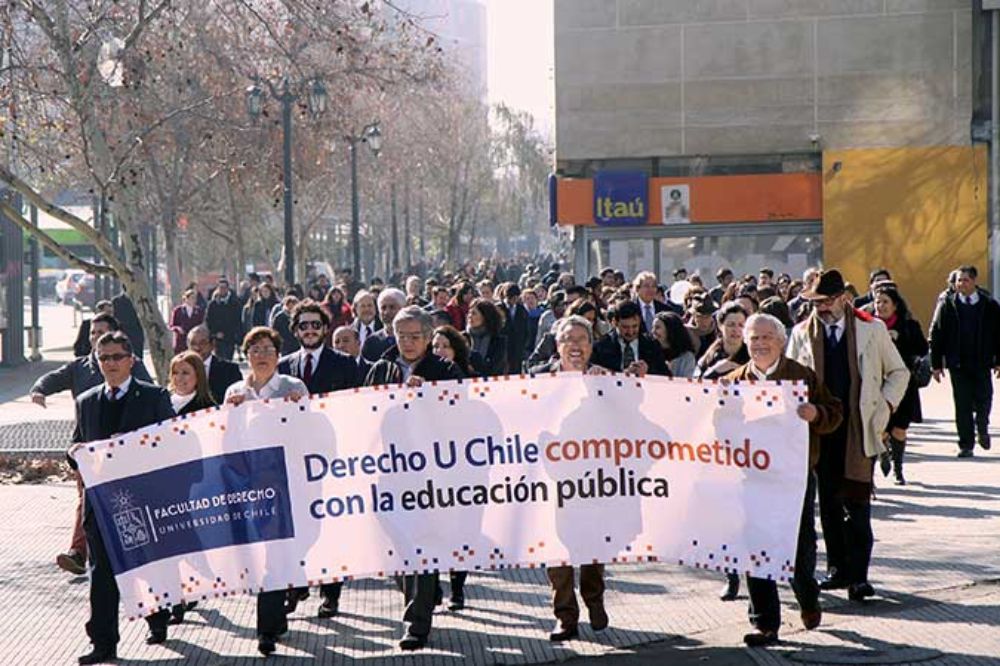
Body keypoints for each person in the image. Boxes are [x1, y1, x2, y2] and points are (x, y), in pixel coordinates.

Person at [787, 269, 909, 602]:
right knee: (828, 504)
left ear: (842, 298)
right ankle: (838, 569)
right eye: (815, 302)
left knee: (856, 505)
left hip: (859, 430)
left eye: (826, 301)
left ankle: (859, 578)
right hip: (820, 430)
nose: (821, 308)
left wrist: (884, 406)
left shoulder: (872, 329)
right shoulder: (801, 333)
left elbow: (899, 372)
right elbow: (791, 380)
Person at [728, 315, 843, 646]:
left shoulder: (801, 376)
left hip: (794, 477)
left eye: (767, 337)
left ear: (781, 341)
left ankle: (807, 595)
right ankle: (764, 623)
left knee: (799, 545)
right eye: (754, 338)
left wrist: (816, 414)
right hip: (751, 478)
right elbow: (718, 424)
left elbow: (834, 411)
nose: (760, 344)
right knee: (754, 546)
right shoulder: (734, 381)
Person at [68, 331, 174, 664]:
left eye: (117, 357)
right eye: (103, 358)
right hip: (100, 504)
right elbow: (75, 445)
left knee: (147, 566)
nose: (110, 363)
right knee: (101, 575)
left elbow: (171, 443)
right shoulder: (86, 401)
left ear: (131, 360)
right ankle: (103, 643)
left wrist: (132, 445)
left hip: (141, 500)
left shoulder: (154, 397)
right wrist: (75, 453)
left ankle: (158, 618)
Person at [363, 307, 463, 650]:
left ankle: (416, 624)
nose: (407, 342)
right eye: (401, 336)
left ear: (428, 337)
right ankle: (427, 591)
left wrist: (430, 398)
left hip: (428, 475)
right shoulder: (381, 368)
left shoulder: (444, 370)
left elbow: (460, 413)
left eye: (414, 336)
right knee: (396, 544)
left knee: (423, 543)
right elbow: (362, 412)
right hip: (388, 470)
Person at [32, 313, 153, 577]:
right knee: (88, 500)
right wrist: (39, 389)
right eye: (93, 333)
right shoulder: (80, 367)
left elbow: (149, 396)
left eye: (101, 332)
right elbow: (53, 378)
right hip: (90, 452)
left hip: (126, 454)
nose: (96, 337)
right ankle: (78, 553)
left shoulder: (131, 363)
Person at [224, 327, 307, 657]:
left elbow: (308, 431)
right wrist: (229, 412)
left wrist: (299, 408)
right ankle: (275, 616)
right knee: (262, 554)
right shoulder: (235, 391)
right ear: (246, 355)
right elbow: (224, 437)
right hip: (248, 484)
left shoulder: (292, 387)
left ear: (278, 355)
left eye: (267, 349)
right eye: (255, 350)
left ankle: (268, 626)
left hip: (282, 482)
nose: (261, 355)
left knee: (276, 553)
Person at [528, 316, 611, 641]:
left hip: (594, 480)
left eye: (581, 339)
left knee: (594, 544)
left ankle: (594, 598)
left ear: (590, 345)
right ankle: (565, 615)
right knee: (556, 549)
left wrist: (614, 387)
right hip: (552, 480)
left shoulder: (604, 379)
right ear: (557, 345)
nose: (575, 346)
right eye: (568, 339)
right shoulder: (537, 379)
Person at [164, 350, 215, 625]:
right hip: (165, 484)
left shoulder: (207, 406)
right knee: (172, 542)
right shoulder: (161, 401)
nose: (180, 378)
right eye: (176, 372)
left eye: (186, 373)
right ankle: (176, 599)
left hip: (195, 484)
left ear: (198, 377)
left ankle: (191, 589)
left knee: (186, 538)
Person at [928, 265, 1000, 457]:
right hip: (958, 363)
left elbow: (998, 334)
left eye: (965, 280)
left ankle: (982, 426)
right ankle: (966, 444)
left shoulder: (989, 305)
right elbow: (936, 334)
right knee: (963, 404)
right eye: (958, 280)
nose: (961, 284)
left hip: (982, 361)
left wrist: (998, 360)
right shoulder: (947, 305)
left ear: (974, 281)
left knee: (985, 398)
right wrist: (936, 364)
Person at [872, 286, 928, 484]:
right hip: (877, 384)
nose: (881, 306)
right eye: (877, 302)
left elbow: (922, 348)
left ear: (895, 305)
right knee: (880, 429)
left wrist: (900, 339)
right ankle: (882, 453)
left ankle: (898, 469)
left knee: (899, 429)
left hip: (904, 384)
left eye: (885, 302)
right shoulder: (868, 325)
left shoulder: (908, 325)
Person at [591, 300, 670, 375]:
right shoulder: (601, 347)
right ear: (615, 323)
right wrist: (623, 374)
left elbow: (665, 376)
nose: (630, 332)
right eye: (625, 327)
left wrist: (648, 370)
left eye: (635, 326)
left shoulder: (651, 345)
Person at [695, 302, 750, 381]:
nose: (736, 330)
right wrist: (715, 370)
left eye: (741, 325)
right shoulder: (708, 357)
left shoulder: (751, 356)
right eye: (731, 325)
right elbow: (695, 384)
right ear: (720, 325)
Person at [466, 297, 508, 376]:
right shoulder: (463, 337)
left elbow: (495, 368)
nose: (469, 316)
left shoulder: (498, 342)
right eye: (469, 313)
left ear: (485, 317)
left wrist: (475, 370)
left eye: (474, 313)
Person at [362, 288, 407, 362]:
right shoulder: (372, 342)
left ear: (404, 309)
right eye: (383, 308)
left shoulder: (414, 339)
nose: (387, 312)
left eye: (392, 307)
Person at [205, 278, 242, 360]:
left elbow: (238, 321)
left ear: (228, 289)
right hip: (217, 338)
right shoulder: (212, 304)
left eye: (224, 287)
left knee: (228, 360)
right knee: (219, 360)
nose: (222, 290)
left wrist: (236, 336)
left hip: (230, 338)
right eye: (220, 287)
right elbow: (208, 320)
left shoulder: (235, 303)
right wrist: (214, 333)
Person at [652, 311, 697, 378]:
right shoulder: (650, 352)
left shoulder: (687, 358)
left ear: (670, 329)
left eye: (657, 327)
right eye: (653, 327)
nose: (653, 331)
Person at [634, 271, 679, 335]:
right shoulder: (631, 308)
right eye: (646, 286)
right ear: (637, 288)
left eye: (653, 286)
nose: (650, 289)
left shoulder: (665, 310)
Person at [498, 282, 530, 372]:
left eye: (516, 297)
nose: (513, 300)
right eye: (511, 298)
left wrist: (524, 345)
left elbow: (526, 329)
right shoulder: (499, 308)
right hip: (503, 348)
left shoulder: (521, 310)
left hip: (517, 349)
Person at [112, 287, 145, 359]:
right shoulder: (116, 301)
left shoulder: (139, 300)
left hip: (136, 334)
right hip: (123, 334)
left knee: (137, 357)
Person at [170, 289, 205, 354]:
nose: (194, 300)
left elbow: (201, 324)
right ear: (186, 299)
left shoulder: (198, 311)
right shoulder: (178, 310)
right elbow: (172, 325)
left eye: (195, 298)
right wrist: (178, 329)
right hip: (181, 341)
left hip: (194, 340)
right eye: (192, 298)